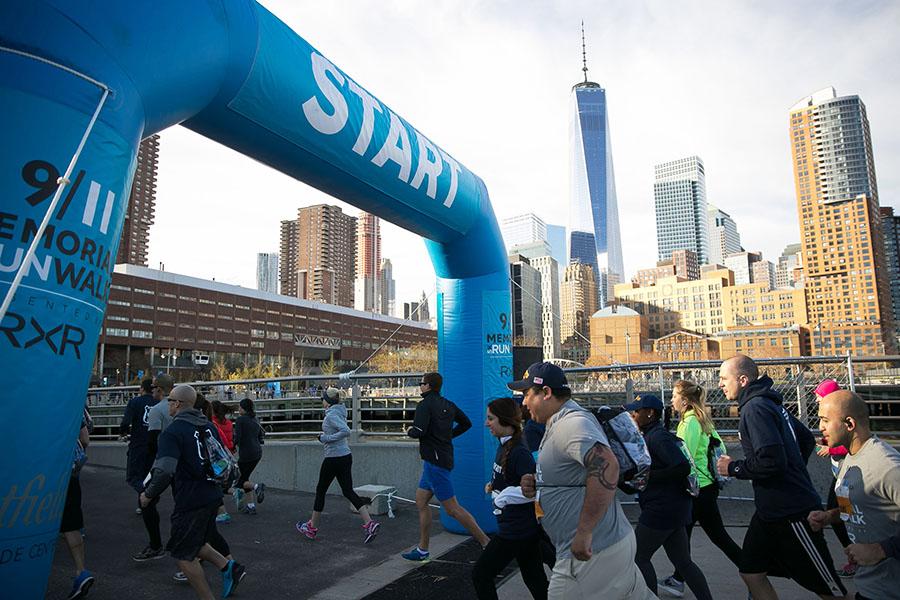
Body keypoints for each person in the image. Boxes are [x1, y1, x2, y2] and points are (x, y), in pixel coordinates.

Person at [511, 362, 655, 599]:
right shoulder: (558, 422)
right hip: (607, 547)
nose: (524, 403)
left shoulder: (572, 423)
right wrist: (541, 482)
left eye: (527, 394)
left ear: (546, 393)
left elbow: (607, 466)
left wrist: (585, 531)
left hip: (590, 555)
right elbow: (575, 474)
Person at [716, 354, 846, 599]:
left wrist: (734, 468)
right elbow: (806, 440)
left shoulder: (755, 408)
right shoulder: (768, 403)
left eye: (724, 378)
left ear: (743, 380)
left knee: (831, 591)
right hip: (769, 513)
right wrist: (793, 467)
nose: (720, 384)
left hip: (791, 512)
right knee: (751, 572)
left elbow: (772, 461)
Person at [140, 385, 246, 599]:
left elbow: (164, 471)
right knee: (197, 542)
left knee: (182, 553)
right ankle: (229, 567)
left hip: (190, 498)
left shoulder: (173, 431)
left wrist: (148, 495)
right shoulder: (208, 425)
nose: (167, 403)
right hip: (212, 495)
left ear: (178, 404)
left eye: (170, 400)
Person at [808, 389, 900, 600]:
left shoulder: (887, 466)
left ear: (849, 424)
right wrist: (830, 516)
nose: (820, 427)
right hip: (868, 585)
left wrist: (879, 550)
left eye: (825, 420)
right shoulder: (850, 458)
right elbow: (856, 506)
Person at [659, 380, 742, 597]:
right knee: (692, 536)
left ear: (684, 400)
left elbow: (683, 460)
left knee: (708, 537)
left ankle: (754, 573)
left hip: (698, 491)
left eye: (674, 396)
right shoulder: (701, 420)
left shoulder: (689, 424)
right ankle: (678, 578)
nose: (672, 400)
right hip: (706, 488)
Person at [625, 394, 712, 600]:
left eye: (637, 411)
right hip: (674, 508)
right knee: (683, 562)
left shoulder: (658, 437)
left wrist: (648, 476)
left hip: (661, 509)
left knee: (639, 557)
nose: (633, 415)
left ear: (650, 413)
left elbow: (681, 466)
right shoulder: (653, 434)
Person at [402, 371, 490, 561]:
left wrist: (409, 430)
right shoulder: (448, 404)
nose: (420, 386)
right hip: (438, 459)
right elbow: (466, 423)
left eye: (421, 383)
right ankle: (423, 549)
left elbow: (418, 431)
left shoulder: (424, 405)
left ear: (428, 386)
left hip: (435, 463)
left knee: (452, 509)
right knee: (421, 501)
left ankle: (486, 542)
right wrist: (449, 435)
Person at [471, 397, 549, 600]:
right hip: (522, 529)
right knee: (535, 579)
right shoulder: (504, 445)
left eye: (491, 419)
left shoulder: (519, 452)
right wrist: (494, 486)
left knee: (480, 574)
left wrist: (503, 497)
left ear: (505, 421)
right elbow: (511, 479)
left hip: (515, 531)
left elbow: (532, 491)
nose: (486, 423)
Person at [296, 388, 380, 543]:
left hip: (333, 458)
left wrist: (325, 438)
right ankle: (369, 523)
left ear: (328, 401)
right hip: (345, 456)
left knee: (320, 491)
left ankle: (312, 527)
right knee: (348, 491)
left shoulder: (332, 415)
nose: (322, 400)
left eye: (323, 398)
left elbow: (346, 431)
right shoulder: (340, 411)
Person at [813, 379, 856, 578]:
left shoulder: (844, 414)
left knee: (843, 516)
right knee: (841, 515)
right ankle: (854, 556)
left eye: (820, 397)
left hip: (846, 479)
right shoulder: (829, 417)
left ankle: (856, 557)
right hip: (838, 477)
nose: (817, 401)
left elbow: (850, 442)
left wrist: (830, 448)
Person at [132, 372, 174, 562]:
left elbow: (152, 441)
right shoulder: (181, 407)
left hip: (162, 463)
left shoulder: (157, 409)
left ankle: (156, 545)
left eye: (154, 388)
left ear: (159, 389)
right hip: (182, 462)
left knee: (146, 500)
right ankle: (200, 551)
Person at [62, 405, 95, 600]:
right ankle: (80, 570)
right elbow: (85, 439)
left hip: (39, 471)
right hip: (69, 471)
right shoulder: (70, 408)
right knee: (72, 525)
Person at [119, 377, 157, 513]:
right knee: (146, 474)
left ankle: (146, 494)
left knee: (133, 476)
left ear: (142, 389)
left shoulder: (135, 402)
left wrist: (123, 433)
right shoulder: (158, 402)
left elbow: (126, 421)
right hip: (154, 443)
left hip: (138, 442)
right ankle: (143, 504)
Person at [232, 397, 266, 515]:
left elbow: (238, 437)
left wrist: (232, 446)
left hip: (246, 454)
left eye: (240, 407)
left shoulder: (240, 420)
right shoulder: (255, 419)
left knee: (239, 482)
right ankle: (251, 506)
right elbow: (259, 435)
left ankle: (257, 487)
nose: (238, 409)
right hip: (257, 452)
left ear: (244, 408)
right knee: (244, 478)